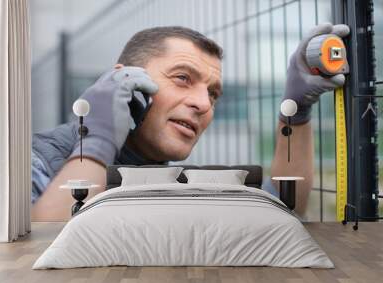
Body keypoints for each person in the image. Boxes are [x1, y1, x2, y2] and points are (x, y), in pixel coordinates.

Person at [31, 24, 349, 221]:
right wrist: (97, 138)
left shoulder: (182, 180)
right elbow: (37, 250)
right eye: (182, 78)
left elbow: (281, 204)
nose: (203, 104)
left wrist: (296, 110)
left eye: (213, 94)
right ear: (122, 81)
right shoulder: (31, 164)